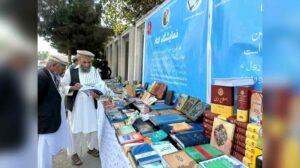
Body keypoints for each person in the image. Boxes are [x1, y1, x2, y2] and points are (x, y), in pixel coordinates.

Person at [61, 50, 113, 166]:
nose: (87, 65)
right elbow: (62, 87)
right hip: (76, 107)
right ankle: (74, 153)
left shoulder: (94, 71)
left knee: (93, 128)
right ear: (79, 60)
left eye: (89, 63)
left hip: (91, 105)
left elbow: (101, 85)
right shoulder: (71, 71)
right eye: (84, 62)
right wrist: (73, 88)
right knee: (75, 130)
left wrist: (98, 94)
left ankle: (91, 147)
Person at [38, 55, 71, 168]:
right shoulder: (41, 76)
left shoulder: (53, 75)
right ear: (53, 65)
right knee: (43, 152)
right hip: (45, 122)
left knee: (48, 152)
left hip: (51, 120)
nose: (64, 70)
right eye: (62, 68)